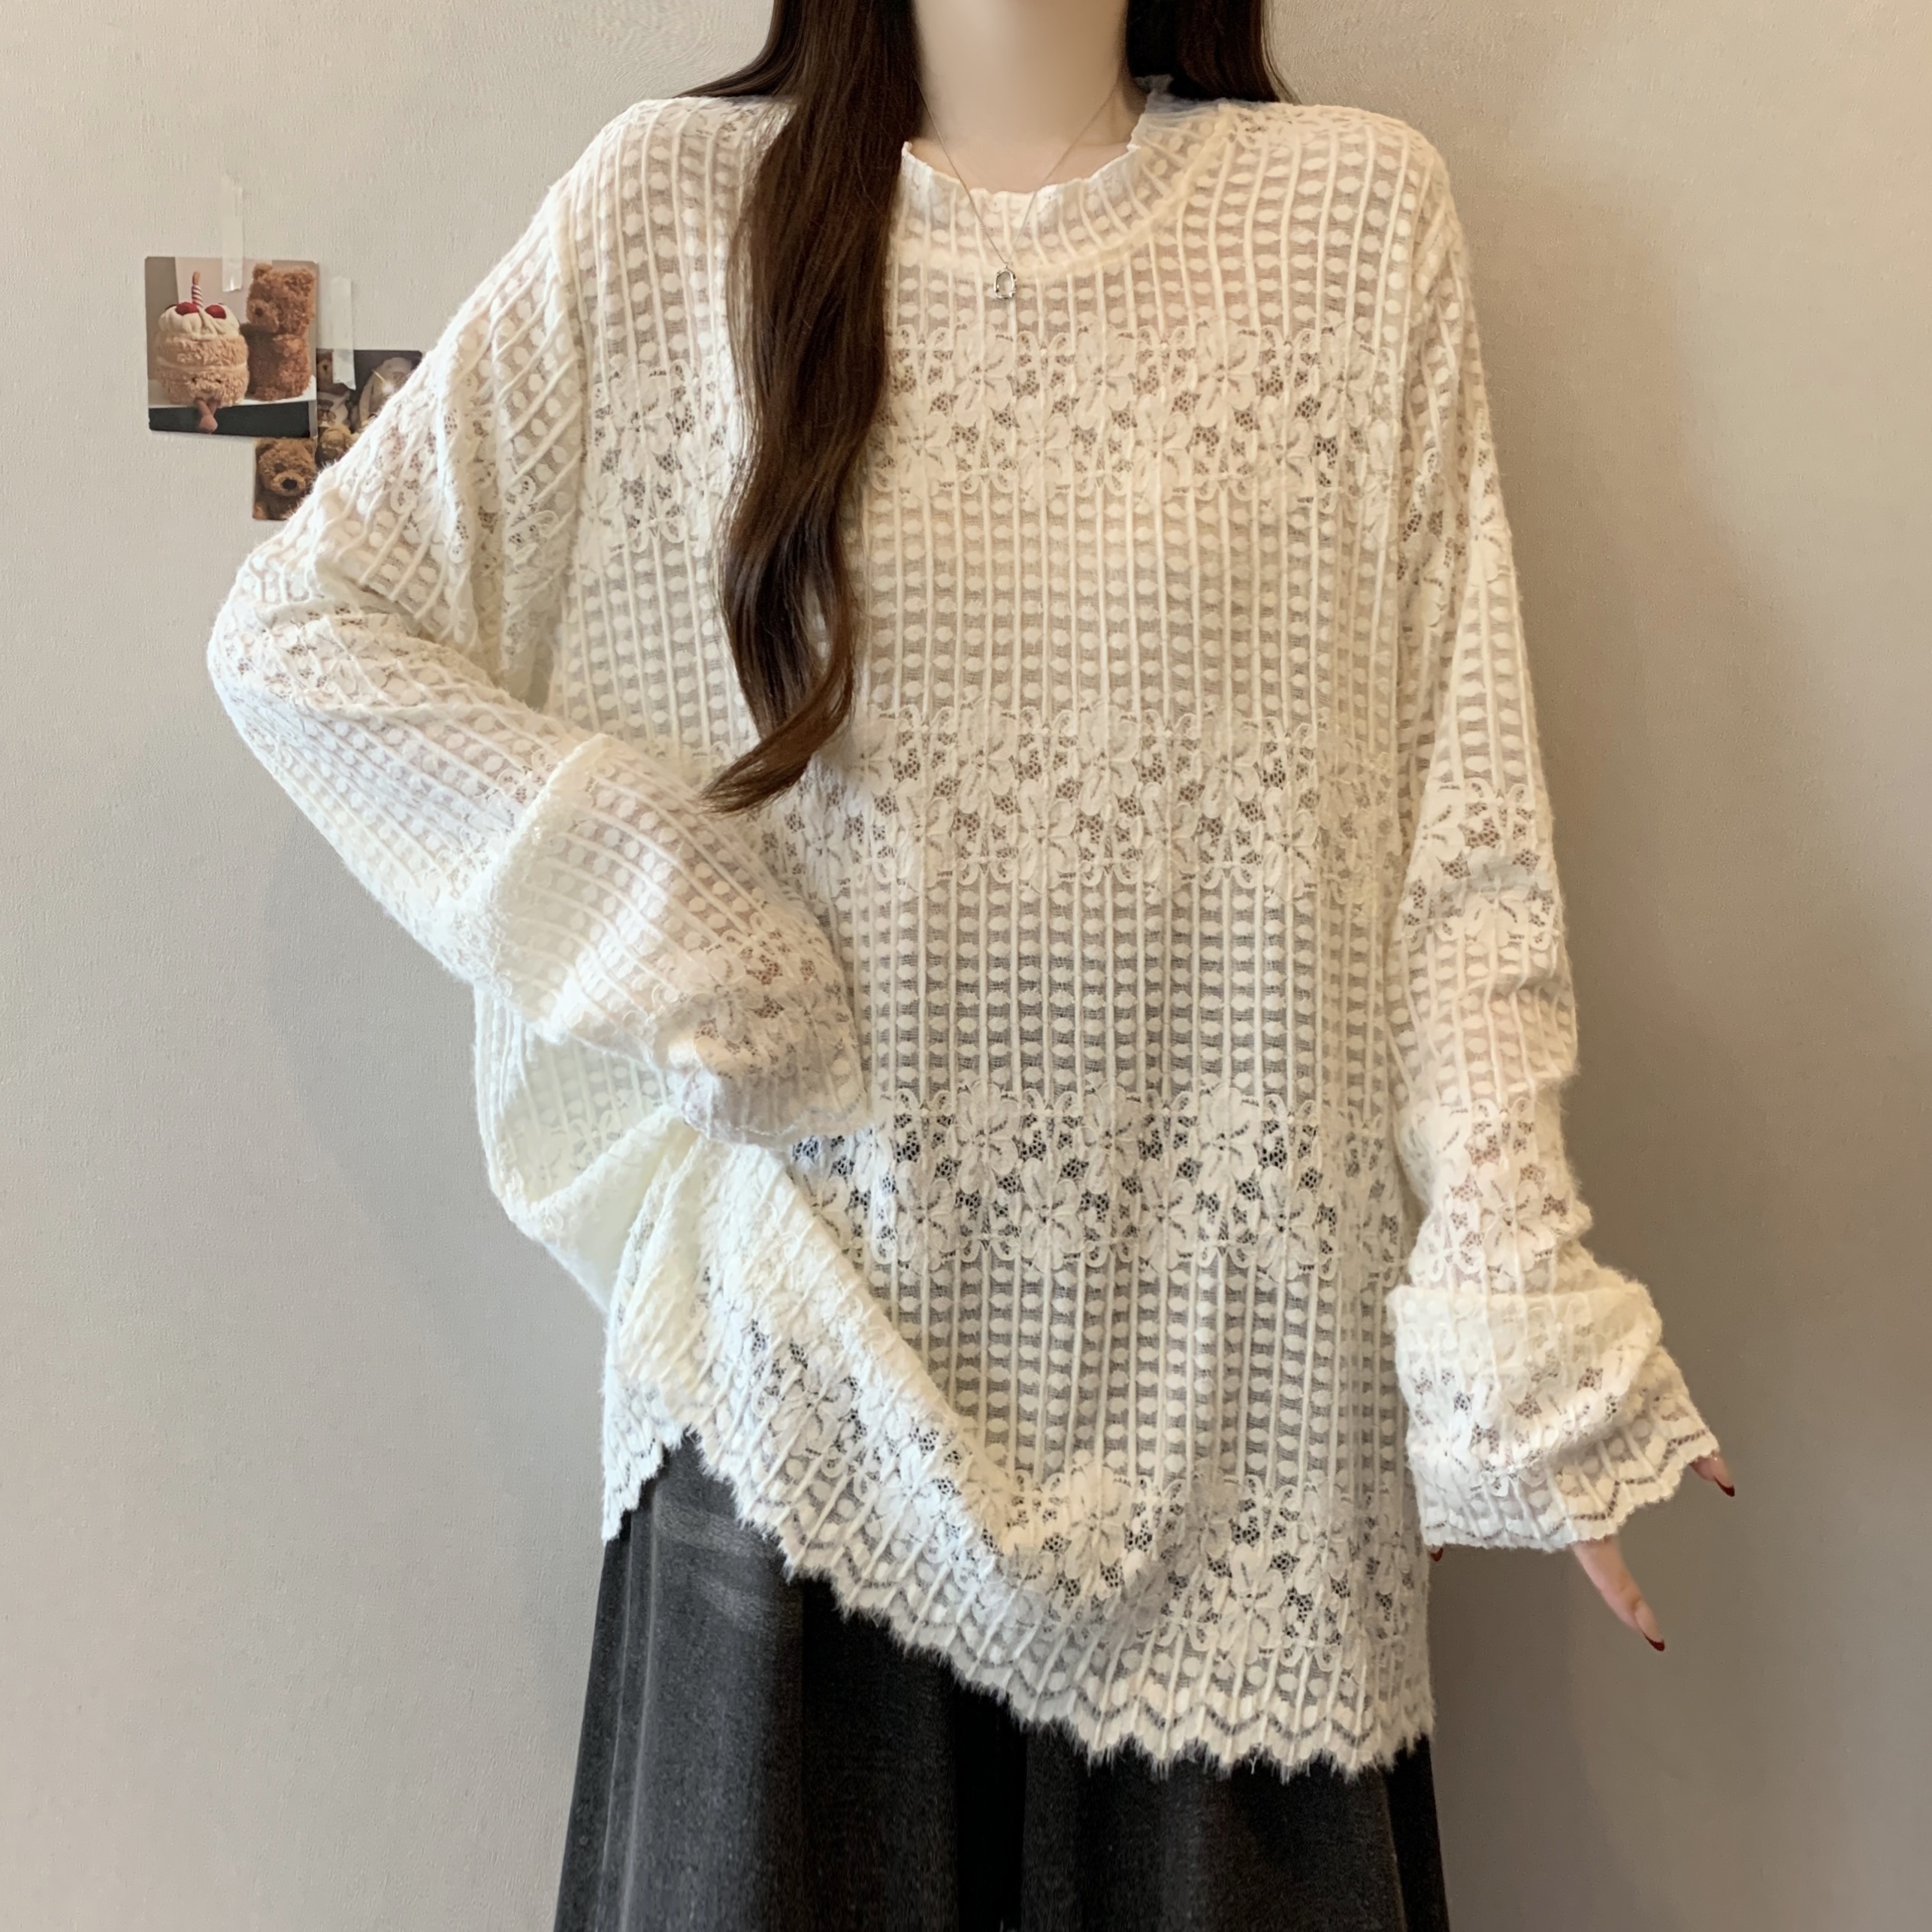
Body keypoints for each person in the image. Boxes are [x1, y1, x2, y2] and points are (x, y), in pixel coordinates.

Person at [205, 0, 1734, 1924]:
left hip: (1239, 1432)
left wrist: (1513, 1297)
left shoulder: (1351, 221)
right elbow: (309, 633)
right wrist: (662, 906)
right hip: (792, 1408)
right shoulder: (671, 211)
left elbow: (1457, 838)